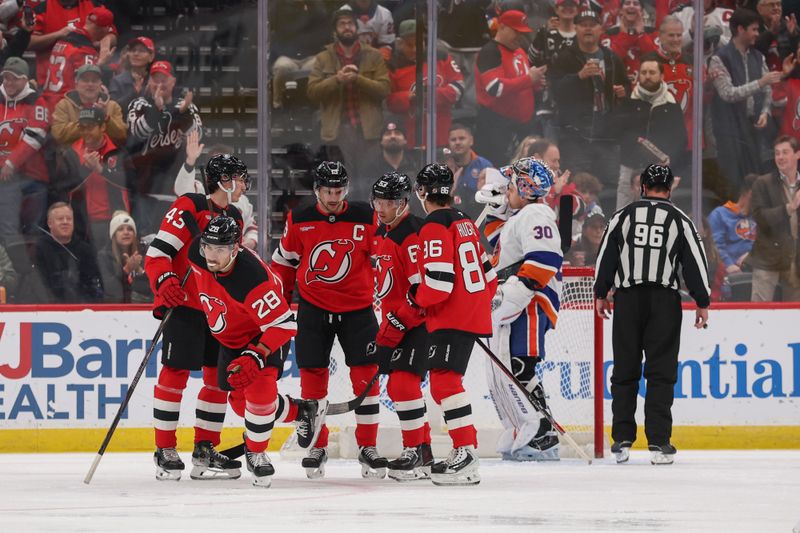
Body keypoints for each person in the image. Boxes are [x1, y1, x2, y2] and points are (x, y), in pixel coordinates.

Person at [186, 215, 327, 487]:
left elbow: (285, 324)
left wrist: (258, 353)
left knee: (260, 397)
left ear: (236, 248)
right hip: (229, 340)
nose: (211, 256)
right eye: (208, 247)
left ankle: (257, 453)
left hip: (263, 336)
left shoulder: (251, 277)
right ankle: (300, 411)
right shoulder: (197, 252)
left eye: (219, 250)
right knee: (241, 404)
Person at [270, 161, 385, 480]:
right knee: (313, 379)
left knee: (366, 379)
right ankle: (318, 446)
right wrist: (280, 304)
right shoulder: (301, 218)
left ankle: (368, 446)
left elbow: (383, 258)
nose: (334, 197)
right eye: (327, 191)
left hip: (358, 311)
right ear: (316, 190)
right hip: (313, 310)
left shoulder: (365, 215)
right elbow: (283, 264)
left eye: (338, 190)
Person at [594, 164, 710, 466]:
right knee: (661, 372)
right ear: (669, 189)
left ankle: (621, 440)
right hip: (663, 302)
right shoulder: (680, 219)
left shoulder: (623, 216)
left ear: (641, 187)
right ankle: (659, 442)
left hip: (628, 300)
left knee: (624, 370)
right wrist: (702, 301)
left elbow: (606, 255)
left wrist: (600, 292)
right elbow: (695, 262)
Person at [143, 154, 249, 481]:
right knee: (174, 374)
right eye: (240, 178)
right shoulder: (190, 205)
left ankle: (205, 449)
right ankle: (165, 449)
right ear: (224, 181)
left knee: (217, 380)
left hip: (217, 310)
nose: (244, 185)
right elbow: (158, 253)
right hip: (186, 306)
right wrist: (165, 282)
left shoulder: (234, 216)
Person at [408, 163, 497, 485]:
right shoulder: (466, 224)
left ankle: (466, 451)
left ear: (421, 192)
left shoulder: (433, 226)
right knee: (445, 382)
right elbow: (491, 279)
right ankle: (466, 450)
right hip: (469, 312)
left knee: (444, 383)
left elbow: (439, 285)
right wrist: (473, 306)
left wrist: (415, 297)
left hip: (451, 316)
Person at [485, 158, 563, 462]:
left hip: (531, 300)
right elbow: (500, 244)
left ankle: (543, 432)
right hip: (517, 298)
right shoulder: (520, 216)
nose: (506, 189)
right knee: (506, 367)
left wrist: (515, 292)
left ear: (524, 186)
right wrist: (496, 209)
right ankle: (525, 429)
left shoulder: (537, 213)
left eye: (512, 184)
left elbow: (545, 259)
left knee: (519, 365)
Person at [370, 171, 433, 481]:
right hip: (399, 320)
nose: (381, 208)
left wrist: (396, 324)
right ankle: (424, 451)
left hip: (419, 322)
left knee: (402, 384)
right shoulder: (386, 231)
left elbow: (422, 293)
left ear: (404, 202)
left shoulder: (411, 235)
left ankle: (416, 450)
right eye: (378, 201)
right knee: (400, 385)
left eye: (389, 202)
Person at [307, 8, 390, 186]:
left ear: (357, 28)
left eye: (350, 23)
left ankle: (368, 214)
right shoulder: (323, 58)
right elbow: (312, 92)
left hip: (368, 130)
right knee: (342, 184)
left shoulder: (373, 55)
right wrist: (337, 79)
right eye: (342, 24)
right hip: (337, 131)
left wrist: (358, 79)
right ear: (335, 30)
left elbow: (384, 89)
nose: (347, 27)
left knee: (369, 182)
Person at [550, 8, 630, 189]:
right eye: (583, 25)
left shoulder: (611, 58)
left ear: (601, 29)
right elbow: (555, 90)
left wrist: (623, 92)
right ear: (576, 28)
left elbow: (626, 86)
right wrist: (579, 76)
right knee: (577, 186)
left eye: (592, 25)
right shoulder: (565, 57)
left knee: (610, 185)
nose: (588, 29)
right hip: (575, 136)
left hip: (607, 136)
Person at [709, 8, 781, 194]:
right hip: (729, 130)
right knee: (733, 180)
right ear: (741, 29)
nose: (757, 34)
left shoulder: (758, 56)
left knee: (757, 179)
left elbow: (768, 90)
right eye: (755, 29)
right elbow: (728, 93)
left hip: (754, 129)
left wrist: (765, 112)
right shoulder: (719, 58)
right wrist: (760, 82)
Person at [127, 60, 201, 234]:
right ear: (149, 82)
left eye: (164, 79)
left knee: (176, 240)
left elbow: (197, 136)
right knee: (144, 239)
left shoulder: (187, 106)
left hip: (176, 189)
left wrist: (183, 114)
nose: (159, 84)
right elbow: (137, 132)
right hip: (145, 189)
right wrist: (156, 109)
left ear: (173, 81)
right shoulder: (139, 104)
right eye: (155, 79)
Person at [616, 57, 689, 210]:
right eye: (643, 72)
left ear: (661, 76)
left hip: (658, 168)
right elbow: (620, 132)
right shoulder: (628, 102)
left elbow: (680, 139)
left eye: (652, 72)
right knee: (623, 214)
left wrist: (665, 159)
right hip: (630, 167)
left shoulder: (672, 106)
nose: (647, 76)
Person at [474, 9, 546, 165]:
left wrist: (536, 83)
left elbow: (523, 82)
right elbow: (495, 88)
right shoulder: (490, 51)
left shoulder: (520, 51)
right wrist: (529, 79)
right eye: (516, 31)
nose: (520, 37)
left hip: (521, 126)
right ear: (502, 27)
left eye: (523, 32)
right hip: (497, 128)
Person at [56, 107, 130, 250]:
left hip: (116, 219)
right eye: (82, 128)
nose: (85, 132)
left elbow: (131, 182)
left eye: (90, 127)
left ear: (102, 127)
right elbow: (63, 187)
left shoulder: (117, 151)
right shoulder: (72, 153)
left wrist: (101, 170)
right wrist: (87, 169)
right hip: (83, 222)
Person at [386, 19, 465, 149]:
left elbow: (459, 88)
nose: (415, 49)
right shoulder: (394, 66)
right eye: (409, 45)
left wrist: (430, 95)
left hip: (443, 134)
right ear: (400, 44)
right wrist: (409, 97)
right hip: (411, 138)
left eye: (418, 43)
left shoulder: (441, 57)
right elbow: (389, 102)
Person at [173, 131, 258, 250]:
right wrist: (190, 161)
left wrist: (251, 241)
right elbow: (182, 190)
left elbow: (251, 228)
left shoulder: (242, 200)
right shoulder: (199, 190)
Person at [0, 57, 50, 243]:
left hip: (32, 177)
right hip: (4, 180)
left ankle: (32, 271)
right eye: (6, 77)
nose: (9, 82)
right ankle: (9, 271)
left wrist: (11, 162)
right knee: (7, 230)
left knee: (33, 232)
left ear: (25, 79)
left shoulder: (37, 101)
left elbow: (35, 137)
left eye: (14, 78)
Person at [748, 135, 800, 300]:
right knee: (759, 314)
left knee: (795, 317)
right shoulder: (762, 183)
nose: (780, 157)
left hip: (795, 259)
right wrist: (789, 208)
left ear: (797, 154)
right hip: (767, 259)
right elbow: (760, 217)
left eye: (785, 152)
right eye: (777, 153)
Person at [41, 6, 115, 110]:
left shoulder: (61, 42)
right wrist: (101, 63)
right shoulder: (85, 51)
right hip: (67, 106)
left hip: (47, 102)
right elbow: (88, 86)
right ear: (104, 29)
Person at [33, 202, 103, 303]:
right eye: (60, 219)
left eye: (69, 219)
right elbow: (39, 286)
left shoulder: (85, 249)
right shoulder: (40, 249)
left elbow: (92, 284)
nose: (65, 222)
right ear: (49, 223)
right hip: (51, 309)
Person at [52, 63, 126, 147]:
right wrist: (86, 121)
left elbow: (122, 134)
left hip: (105, 154)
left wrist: (106, 118)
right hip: (72, 156)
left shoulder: (112, 106)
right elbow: (58, 134)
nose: (90, 84)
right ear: (76, 84)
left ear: (100, 84)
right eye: (85, 80)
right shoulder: (64, 105)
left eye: (94, 81)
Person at [708, 173, 758, 276]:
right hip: (729, 275)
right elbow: (714, 245)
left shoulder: (760, 217)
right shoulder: (720, 214)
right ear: (750, 193)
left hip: (756, 271)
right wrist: (729, 264)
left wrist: (751, 255)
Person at [97, 210, 152, 303]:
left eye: (130, 229)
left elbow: (151, 289)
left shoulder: (144, 252)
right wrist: (126, 270)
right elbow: (112, 290)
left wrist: (139, 270)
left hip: (143, 308)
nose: (126, 232)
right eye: (120, 229)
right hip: (114, 309)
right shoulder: (104, 256)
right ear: (114, 234)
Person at [446, 123, 494, 219]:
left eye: (462, 138)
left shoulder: (484, 166)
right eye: (453, 140)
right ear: (448, 143)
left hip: (479, 220)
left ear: (471, 141)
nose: (457, 142)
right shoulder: (443, 167)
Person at [108, 36, 155, 114]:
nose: (136, 54)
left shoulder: (156, 81)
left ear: (151, 56)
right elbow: (113, 109)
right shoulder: (117, 81)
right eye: (133, 50)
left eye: (142, 51)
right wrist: (134, 92)